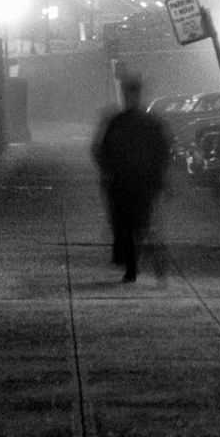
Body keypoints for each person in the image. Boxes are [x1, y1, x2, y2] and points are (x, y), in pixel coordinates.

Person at [92, 75, 171, 282]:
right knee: (142, 224)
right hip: (144, 183)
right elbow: (163, 151)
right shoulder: (151, 122)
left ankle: (132, 267)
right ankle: (150, 261)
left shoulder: (117, 122)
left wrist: (109, 172)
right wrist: (159, 177)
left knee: (126, 226)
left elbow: (100, 150)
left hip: (122, 183)